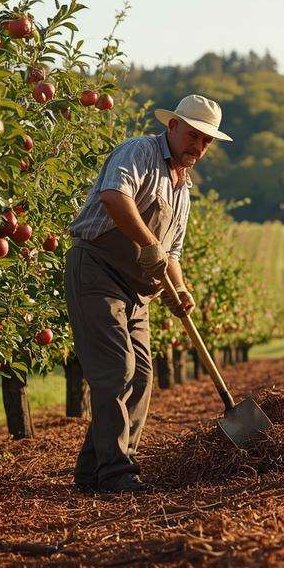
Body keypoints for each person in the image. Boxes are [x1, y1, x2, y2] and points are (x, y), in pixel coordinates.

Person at [63, 95, 233, 493]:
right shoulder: (140, 151)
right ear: (172, 127)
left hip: (138, 290)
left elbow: (170, 253)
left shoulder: (183, 190)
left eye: (207, 141)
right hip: (98, 271)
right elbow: (115, 197)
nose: (199, 146)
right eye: (193, 135)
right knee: (116, 370)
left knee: (141, 376)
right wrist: (148, 243)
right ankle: (117, 472)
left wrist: (181, 289)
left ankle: (95, 470)